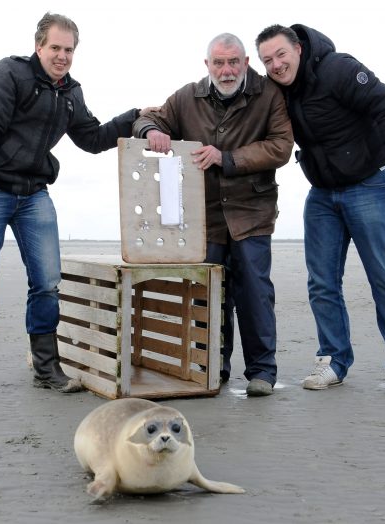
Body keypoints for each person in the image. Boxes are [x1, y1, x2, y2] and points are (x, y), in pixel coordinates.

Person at [0, 12, 149, 394]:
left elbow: (92, 138)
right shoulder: (9, 74)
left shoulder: (70, 92)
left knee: (48, 283)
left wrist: (131, 117)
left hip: (35, 194)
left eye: (69, 50)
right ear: (39, 46)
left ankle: (47, 369)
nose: (62, 56)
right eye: (55, 47)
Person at [255, 24, 385, 394]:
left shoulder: (338, 68)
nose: (277, 65)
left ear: (297, 48)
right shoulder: (276, 90)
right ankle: (333, 359)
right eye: (268, 60)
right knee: (322, 283)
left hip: (370, 185)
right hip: (323, 195)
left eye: (281, 54)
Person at [134, 33, 293, 397]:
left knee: (254, 292)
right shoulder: (187, 96)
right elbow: (146, 117)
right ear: (207, 65)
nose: (226, 70)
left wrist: (228, 158)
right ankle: (212, 370)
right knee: (208, 296)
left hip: (252, 211)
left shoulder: (268, 95)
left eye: (233, 61)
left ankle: (262, 372)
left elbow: (281, 146)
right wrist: (153, 131)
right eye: (219, 63)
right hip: (204, 217)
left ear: (246, 63)